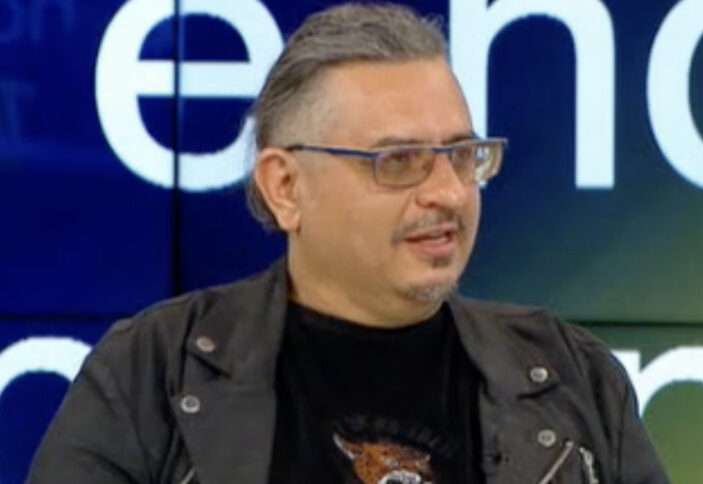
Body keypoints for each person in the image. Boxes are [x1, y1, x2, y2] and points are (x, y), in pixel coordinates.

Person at [27, 3, 669, 484]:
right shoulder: (152, 373)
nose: (448, 192)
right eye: (399, 161)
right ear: (285, 187)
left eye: (461, 154)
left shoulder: (571, 377)